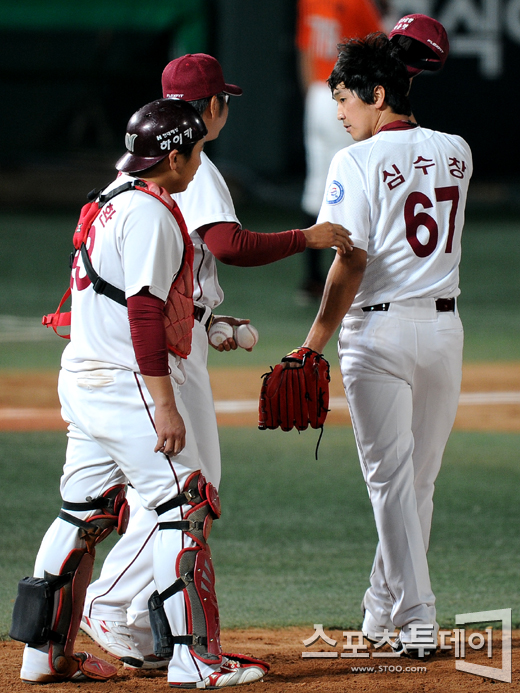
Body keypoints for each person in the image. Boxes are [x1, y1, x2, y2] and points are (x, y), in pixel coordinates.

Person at [80, 53, 353, 670]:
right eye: (222, 100)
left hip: (169, 339)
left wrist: (211, 319)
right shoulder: (192, 165)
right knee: (187, 490)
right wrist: (304, 239)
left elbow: (192, 264)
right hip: (164, 354)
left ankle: (134, 615)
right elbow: (227, 246)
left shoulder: (165, 162)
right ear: (210, 109)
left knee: (178, 487)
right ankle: (112, 602)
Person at [11, 98, 269, 688]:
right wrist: (167, 404)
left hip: (83, 378)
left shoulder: (111, 199)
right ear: (174, 156)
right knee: (186, 507)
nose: (201, 161)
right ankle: (195, 661)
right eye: (197, 151)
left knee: (82, 516)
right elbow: (146, 314)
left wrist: (210, 326)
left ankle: (42, 655)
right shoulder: (152, 213)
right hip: (130, 385)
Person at [299, 32, 471, 656]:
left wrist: (314, 341)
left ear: (377, 95)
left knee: (393, 485)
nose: (340, 111)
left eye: (346, 97)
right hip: (445, 332)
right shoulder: (458, 151)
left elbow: (350, 260)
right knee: (415, 485)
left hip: (378, 335)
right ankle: (379, 612)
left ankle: (417, 619)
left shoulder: (355, 162)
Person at [296, 0, 384, 300]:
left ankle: (311, 278)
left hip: (318, 95)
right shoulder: (358, 3)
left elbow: (306, 49)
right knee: (360, 183)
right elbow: (380, 56)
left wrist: (312, 94)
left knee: (317, 187)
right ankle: (357, 272)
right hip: (346, 96)